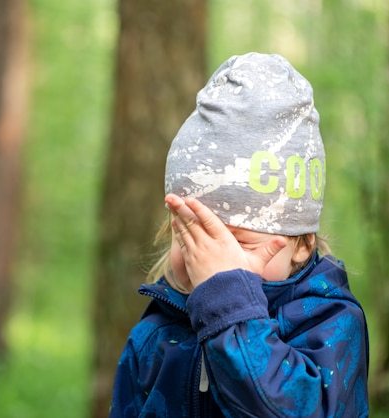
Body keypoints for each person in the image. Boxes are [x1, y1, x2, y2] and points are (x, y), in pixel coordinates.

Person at [109, 52, 369, 417]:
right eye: (191, 238)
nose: (211, 263)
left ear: (302, 243)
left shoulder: (331, 322)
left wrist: (229, 310)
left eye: (240, 243)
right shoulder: (152, 337)